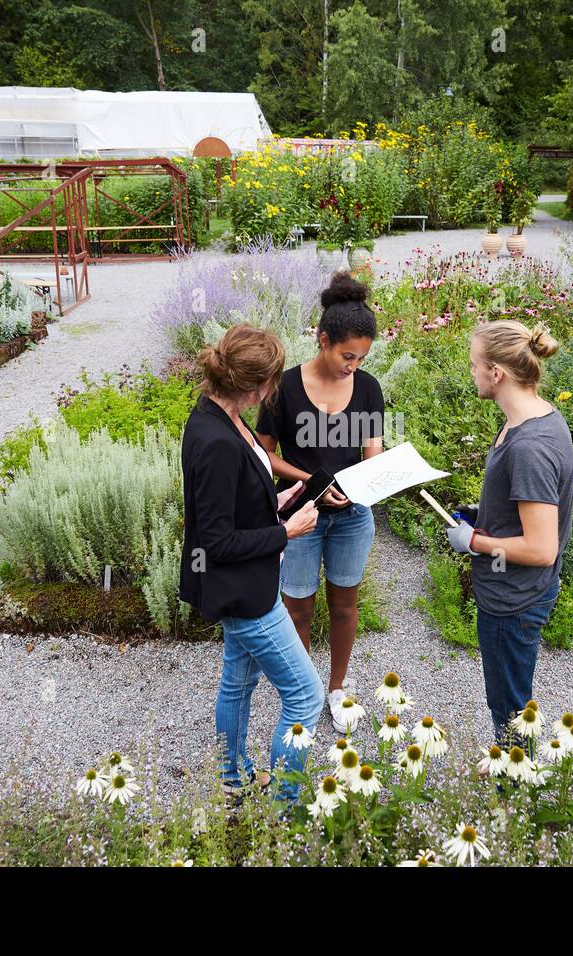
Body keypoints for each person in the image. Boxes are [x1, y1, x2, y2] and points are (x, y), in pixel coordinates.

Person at [179, 323, 322, 804]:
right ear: (257, 385)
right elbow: (217, 541)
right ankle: (284, 805)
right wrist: (288, 530)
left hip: (244, 583)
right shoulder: (216, 439)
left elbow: (231, 503)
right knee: (306, 696)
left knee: (237, 683)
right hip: (244, 593)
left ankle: (232, 775)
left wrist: (277, 500)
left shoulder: (222, 415)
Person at [257, 271, 384, 733]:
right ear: (323, 340)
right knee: (298, 608)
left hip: (352, 515)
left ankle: (336, 690)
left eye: (361, 357)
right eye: (347, 355)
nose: (354, 365)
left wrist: (367, 478)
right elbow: (265, 454)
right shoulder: (284, 389)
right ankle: (303, 690)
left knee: (345, 604)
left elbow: (374, 450)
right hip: (300, 516)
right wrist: (313, 478)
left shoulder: (368, 388)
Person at [444, 319, 573, 744]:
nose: (472, 373)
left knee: (509, 705)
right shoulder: (534, 419)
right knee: (507, 697)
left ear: (496, 373)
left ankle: (516, 789)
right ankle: (510, 761)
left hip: (513, 599)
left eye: (473, 365)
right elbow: (530, 508)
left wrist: (475, 542)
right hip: (516, 589)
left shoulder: (530, 446)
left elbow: (541, 548)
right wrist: (485, 512)